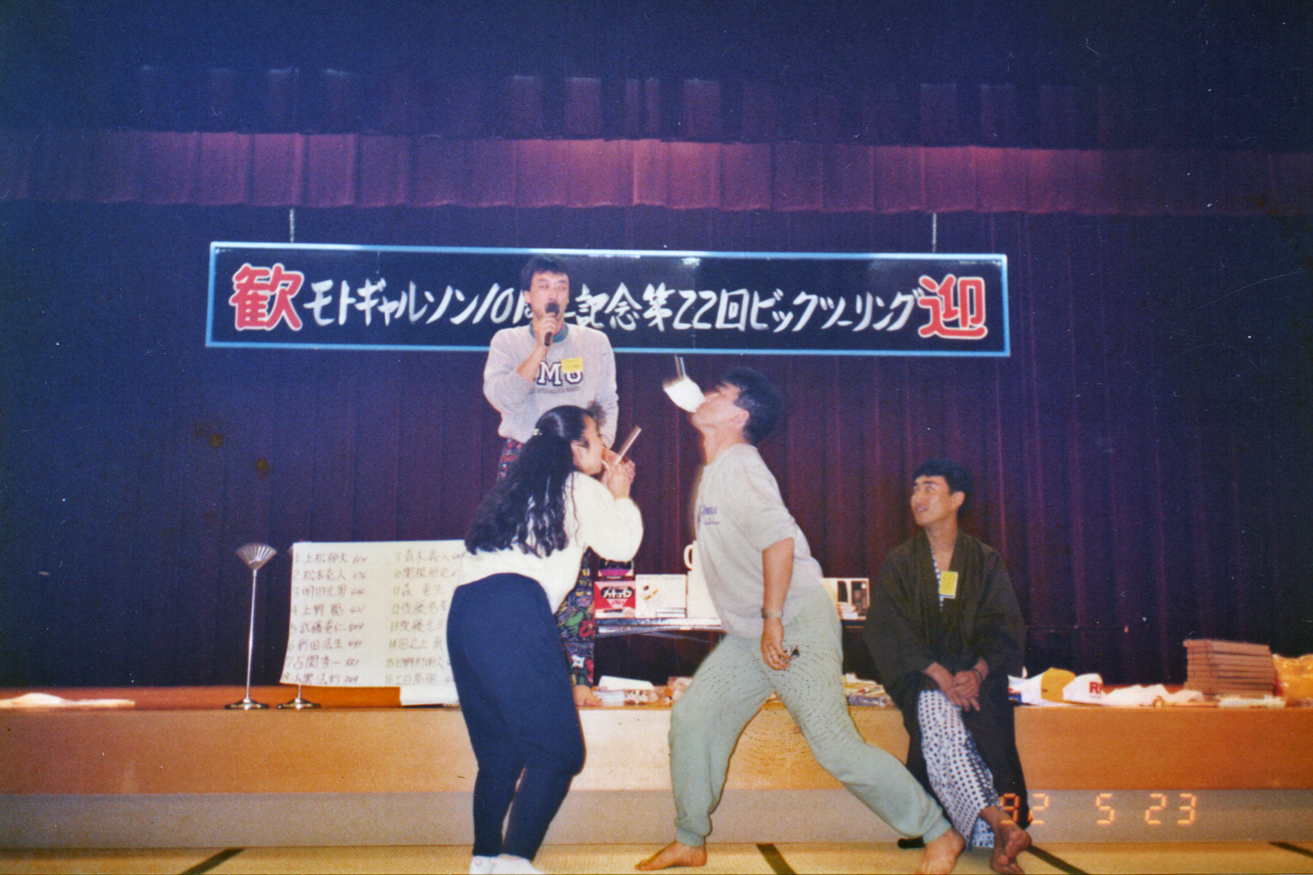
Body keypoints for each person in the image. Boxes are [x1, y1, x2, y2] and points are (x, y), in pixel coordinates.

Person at [638, 368, 965, 875]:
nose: (706, 395)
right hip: (751, 634)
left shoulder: (742, 467)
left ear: (739, 415)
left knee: (834, 746)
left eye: (719, 393)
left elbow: (780, 543)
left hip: (791, 622)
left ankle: (939, 832)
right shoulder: (716, 467)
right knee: (694, 718)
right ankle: (690, 839)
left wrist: (772, 619)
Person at [448, 405, 641, 875]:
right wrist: (620, 495)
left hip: (465, 611)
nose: (605, 446)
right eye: (597, 437)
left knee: (500, 755)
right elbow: (622, 547)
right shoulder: (580, 488)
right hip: (515, 606)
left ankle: (484, 860)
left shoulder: (514, 488)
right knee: (559, 753)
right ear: (577, 446)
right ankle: (514, 863)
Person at [863, 459, 1031, 875]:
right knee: (937, 712)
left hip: (977, 679)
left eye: (929, 487)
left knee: (960, 734)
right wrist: (937, 674)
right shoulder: (901, 561)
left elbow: (1003, 626)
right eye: (914, 488)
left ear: (957, 499)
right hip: (919, 675)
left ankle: (985, 834)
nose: (917, 497)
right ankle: (1000, 823)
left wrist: (978, 672)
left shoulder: (985, 560)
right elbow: (888, 628)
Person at [483, 254, 621, 706]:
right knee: (518, 564)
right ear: (527, 296)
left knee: (577, 569)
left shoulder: (594, 342)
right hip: (524, 459)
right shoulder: (507, 341)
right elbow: (504, 398)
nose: (553, 294)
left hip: (575, 461)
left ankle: (580, 676)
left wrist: (597, 451)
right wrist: (539, 348)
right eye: (544, 286)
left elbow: (607, 403)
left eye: (561, 286)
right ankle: (517, 674)